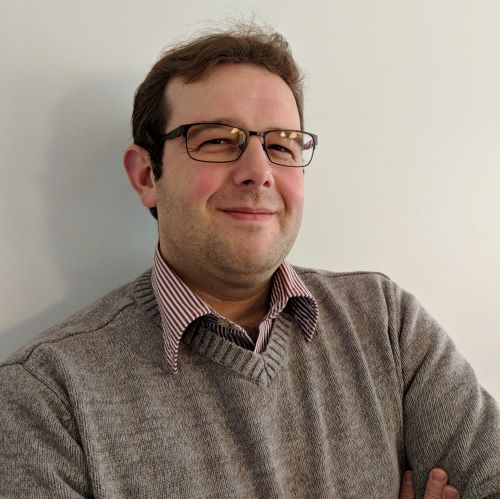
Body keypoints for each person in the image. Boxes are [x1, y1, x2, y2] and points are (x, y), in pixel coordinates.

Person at [1, 24, 499, 498]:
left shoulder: (386, 323)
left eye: (282, 145)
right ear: (147, 176)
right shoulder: (44, 395)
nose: (259, 172)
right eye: (217, 140)